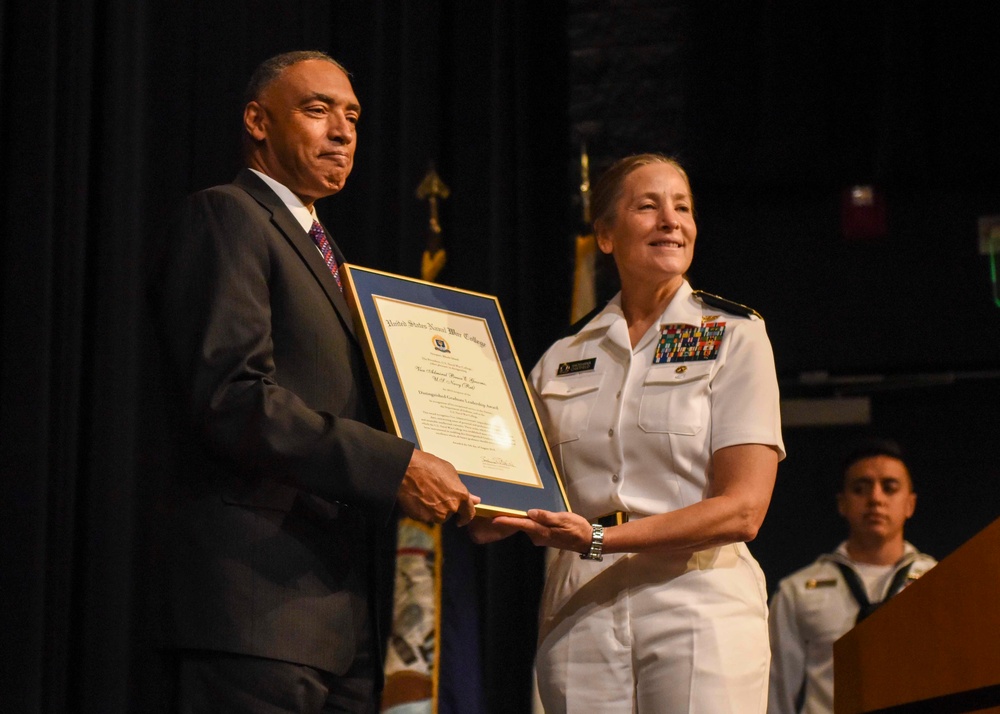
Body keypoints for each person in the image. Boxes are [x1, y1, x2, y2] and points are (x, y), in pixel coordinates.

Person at [149, 50, 478, 712]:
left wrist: (479, 482)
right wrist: (398, 465)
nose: (343, 130)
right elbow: (234, 399)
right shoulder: (229, 216)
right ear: (258, 121)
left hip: (336, 612)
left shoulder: (330, 258)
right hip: (254, 606)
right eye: (317, 109)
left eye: (352, 115)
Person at [472, 153, 785, 713]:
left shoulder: (735, 337)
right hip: (580, 609)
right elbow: (516, 485)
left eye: (682, 207)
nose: (672, 220)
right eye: (649, 206)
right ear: (606, 236)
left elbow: (743, 510)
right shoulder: (561, 357)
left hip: (698, 601)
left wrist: (600, 539)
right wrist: (475, 503)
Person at [766, 438, 936, 714]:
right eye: (860, 488)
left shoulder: (939, 584)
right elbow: (777, 691)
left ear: (910, 504)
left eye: (890, 488)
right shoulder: (797, 591)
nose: (876, 499)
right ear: (842, 503)